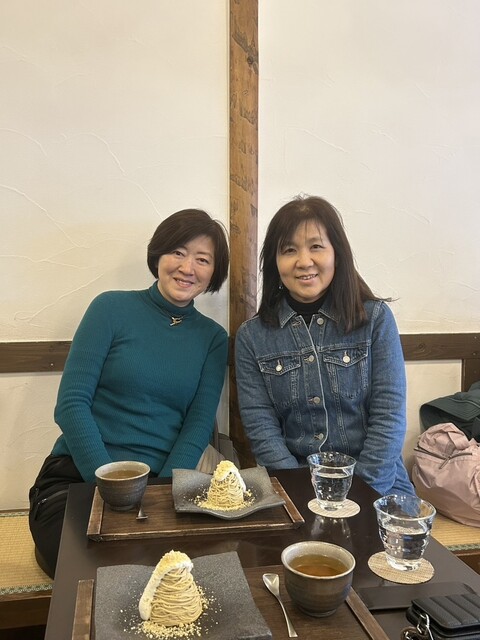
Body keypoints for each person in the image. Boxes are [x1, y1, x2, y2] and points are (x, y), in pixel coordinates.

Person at [29, 208, 229, 577]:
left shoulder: (213, 339)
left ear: (214, 272)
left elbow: (198, 425)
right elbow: (71, 404)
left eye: (203, 259)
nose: (188, 267)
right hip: (80, 478)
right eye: (178, 252)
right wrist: (110, 483)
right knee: (100, 572)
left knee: (183, 577)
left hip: (162, 485)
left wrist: (160, 492)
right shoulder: (110, 308)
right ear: (159, 255)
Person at [235, 195, 414, 497]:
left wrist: (358, 496)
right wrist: (300, 494)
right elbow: (262, 432)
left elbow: (389, 419)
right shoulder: (252, 337)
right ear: (275, 262)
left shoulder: (375, 320)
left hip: (377, 483)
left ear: (337, 254)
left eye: (316, 246)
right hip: (296, 484)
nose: (304, 261)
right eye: (289, 250)